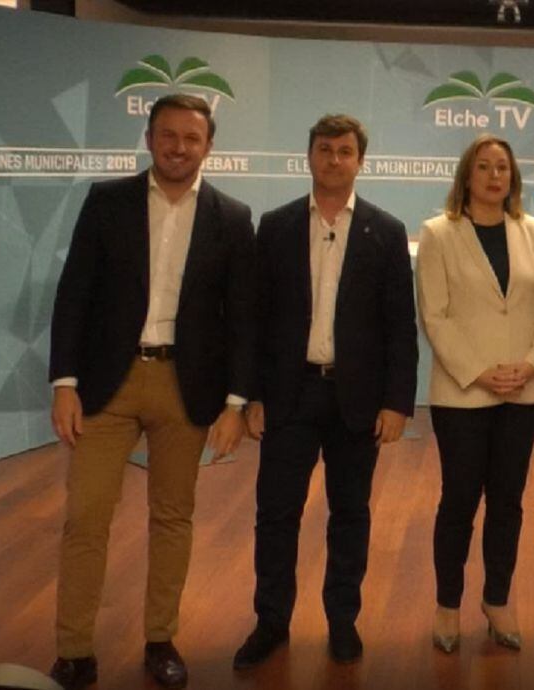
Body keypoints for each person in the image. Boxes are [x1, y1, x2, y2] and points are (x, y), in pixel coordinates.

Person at [48, 94, 256, 690]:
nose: (178, 147)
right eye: (168, 135)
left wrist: (236, 403)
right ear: (149, 139)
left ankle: (160, 640)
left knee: (172, 517)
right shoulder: (106, 202)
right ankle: (74, 652)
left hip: (185, 386)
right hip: (105, 386)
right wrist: (64, 383)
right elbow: (74, 295)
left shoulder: (232, 217)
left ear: (208, 147)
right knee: (85, 518)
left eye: (191, 138)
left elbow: (243, 318)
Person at [232, 114, 418, 668]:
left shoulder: (386, 230)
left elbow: (399, 325)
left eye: (344, 151)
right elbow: (255, 318)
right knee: (276, 515)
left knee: (350, 513)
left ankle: (342, 621)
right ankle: (271, 622)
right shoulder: (276, 225)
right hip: (288, 396)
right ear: (308, 155)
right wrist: (253, 396)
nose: (333, 159)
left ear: (360, 161)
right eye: (324, 149)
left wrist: (397, 402)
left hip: (356, 400)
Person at [416, 134, 534, 653]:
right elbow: (435, 315)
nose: (494, 175)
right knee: (459, 500)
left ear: (513, 177)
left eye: (503, 167)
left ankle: (497, 600)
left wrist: (533, 364)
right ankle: (447, 605)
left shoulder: (533, 230)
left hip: (523, 392)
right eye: (484, 166)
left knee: (507, 501)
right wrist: (479, 372)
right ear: (467, 175)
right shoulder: (438, 233)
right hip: (462, 394)